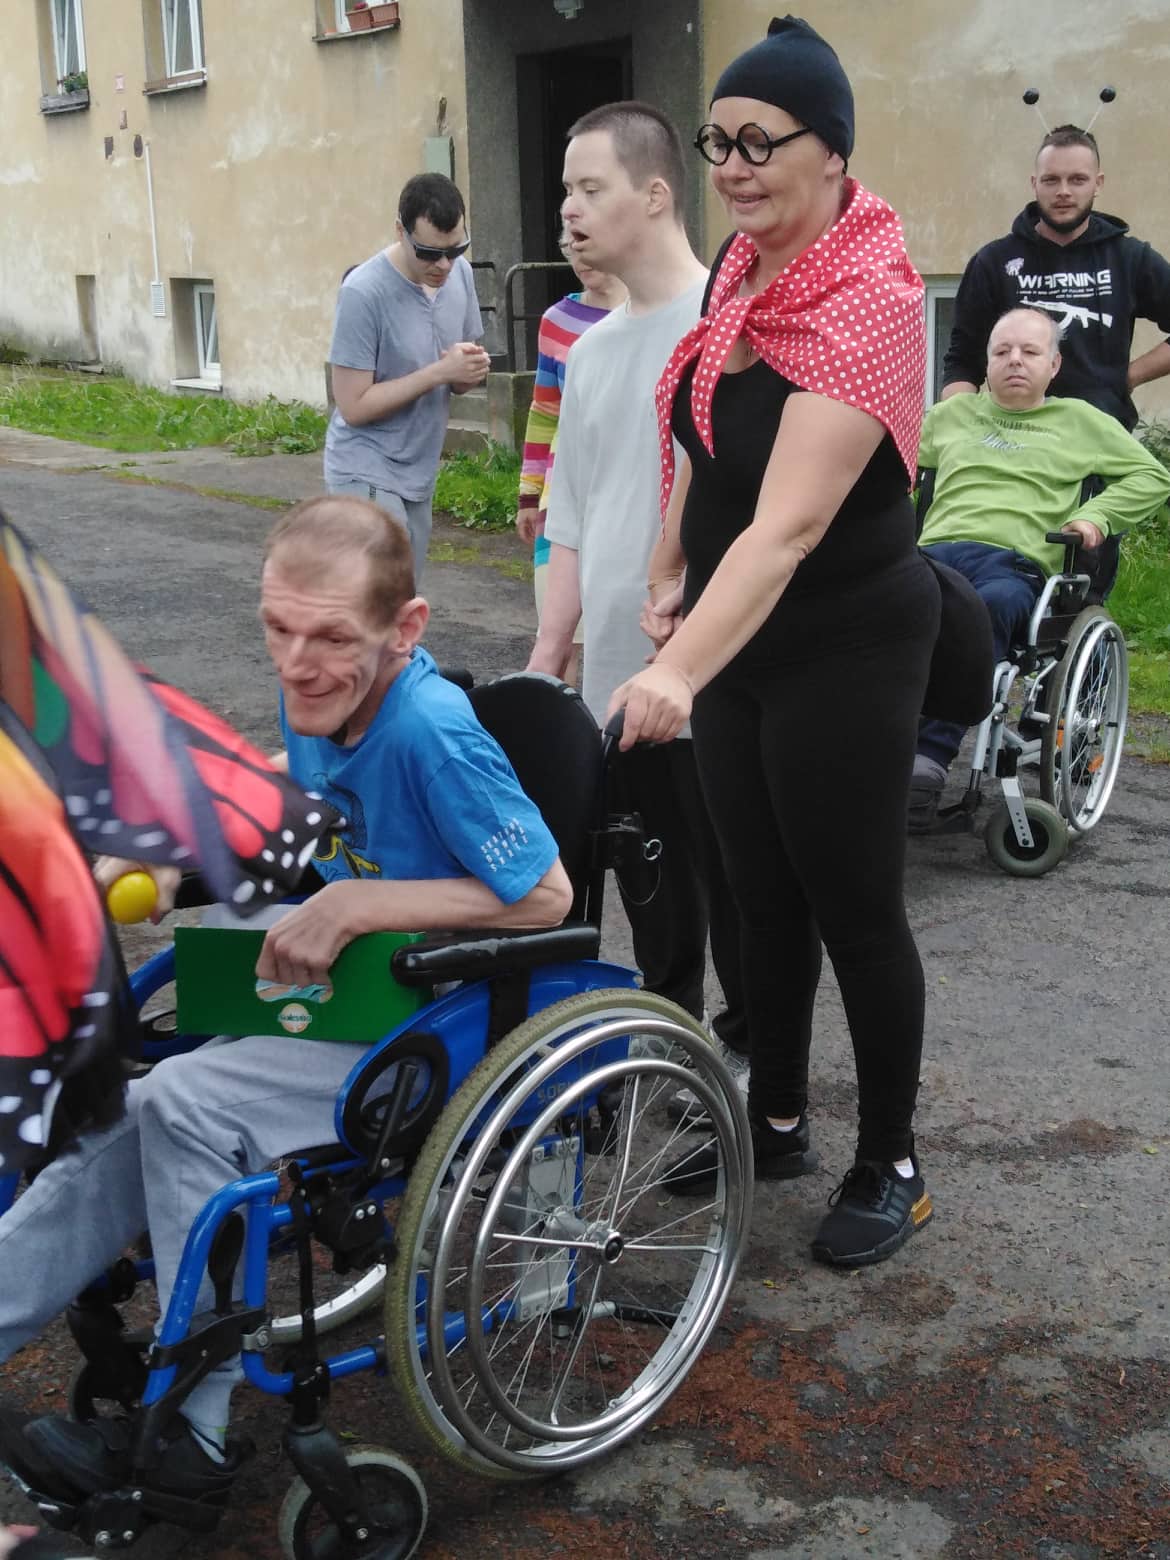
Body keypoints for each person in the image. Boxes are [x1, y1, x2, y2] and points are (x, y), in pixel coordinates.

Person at [0, 496, 571, 1510]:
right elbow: (307, 799)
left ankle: (196, 1427)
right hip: (351, 995)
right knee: (126, 1103)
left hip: (439, 1014)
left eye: (331, 638)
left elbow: (547, 897)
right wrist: (176, 841)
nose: (298, 663)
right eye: (278, 629)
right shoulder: (326, 698)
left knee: (182, 1103)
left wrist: (355, 904)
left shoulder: (433, 733)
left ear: (406, 628)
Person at [607, 17, 940, 1268]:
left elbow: (792, 524)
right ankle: (781, 1118)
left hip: (846, 639)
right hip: (737, 631)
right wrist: (666, 567)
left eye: (763, 143)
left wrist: (676, 668)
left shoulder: (872, 300)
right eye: (721, 143)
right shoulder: (741, 276)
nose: (735, 169)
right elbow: (704, 431)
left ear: (833, 152)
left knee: (853, 904)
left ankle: (892, 1161)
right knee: (759, 895)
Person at [525, 100, 749, 1124]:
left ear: (655, 195)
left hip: (709, 671)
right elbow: (569, 516)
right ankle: (669, 1044)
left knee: (736, 886)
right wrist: (551, 653)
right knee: (650, 878)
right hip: (619, 675)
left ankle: (749, 1072)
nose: (568, 209)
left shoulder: (727, 326)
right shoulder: (592, 350)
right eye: (565, 190)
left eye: (589, 187)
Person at [911, 306, 1170, 827]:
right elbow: (885, 464)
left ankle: (928, 760)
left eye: (1030, 351)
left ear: (1054, 365)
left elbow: (1152, 476)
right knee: (873, 608)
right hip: (933, 556)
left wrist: (1096, 516)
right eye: (1002, 351)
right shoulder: (949, 417)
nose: (1014, 360)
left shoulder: (1081, 422)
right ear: (985, 363)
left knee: (988, 606)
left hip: (1014, 566)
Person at [941, 124, 1170, 430]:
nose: (1063, 191)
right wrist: (955, 428)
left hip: (1101, 437)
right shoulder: (993, 262)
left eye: (1077, 179)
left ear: (1098, 183)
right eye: (1051, 180)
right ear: (1034, 184)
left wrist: (1127, 377)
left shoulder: (1130, 258)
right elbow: (962, 360)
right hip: (1012, 436)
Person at [323, 173, 491, 578]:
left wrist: (467, 371)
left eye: (456, 249)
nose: (444, 265)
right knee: (383, 596)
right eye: (429, 253)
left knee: (401, 598)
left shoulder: (461, 275)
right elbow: (353, 406)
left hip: (419, 470)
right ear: (400, 231)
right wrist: (439, 372)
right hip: (364, 465)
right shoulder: (363, 292)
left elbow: (459, 377)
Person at [515, 232, 627, 685]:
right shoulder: (557, 320)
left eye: (588, 243)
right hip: (560, 502)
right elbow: (545, 410)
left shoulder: (651, 314)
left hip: (623, 502)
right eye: (570, 247)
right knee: (560, 646)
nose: (580, 257)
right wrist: (529, 493)